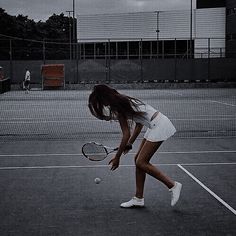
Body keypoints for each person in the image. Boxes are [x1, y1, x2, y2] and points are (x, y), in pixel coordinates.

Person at [88, 84, 182, 208]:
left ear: (104, 98)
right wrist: (130, 143)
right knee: (138, 160)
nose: (101, 105)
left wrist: (118, 157)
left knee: (141, 162)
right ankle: (138, 198)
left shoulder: (118, 107)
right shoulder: (122, 100)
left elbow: (125, 134)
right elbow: (139, 124)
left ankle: (173, 185)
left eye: (99, 102)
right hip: (154, 124)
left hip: (159, 125)